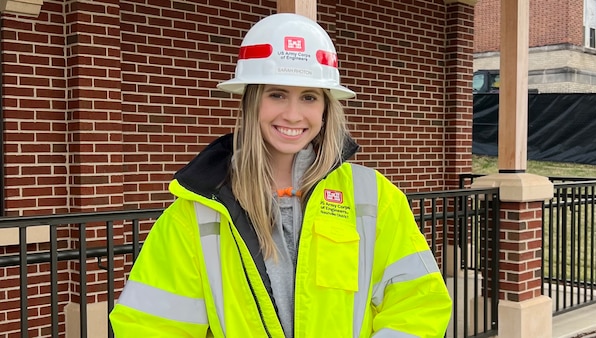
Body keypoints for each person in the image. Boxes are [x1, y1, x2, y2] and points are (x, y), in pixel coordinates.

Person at [109, 12, 452, 338]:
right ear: (251, 101)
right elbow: (151, 326)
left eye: (308, 97)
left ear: (325, 108)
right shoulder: (196, 213)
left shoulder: (374, 198)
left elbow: (419, 305)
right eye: (276, 94)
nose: (292, 114)